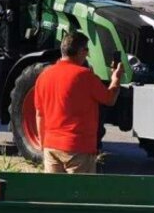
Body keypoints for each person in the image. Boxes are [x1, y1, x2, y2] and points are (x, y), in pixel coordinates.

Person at [34, 32, 122, 174]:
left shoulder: (44, 76)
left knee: (53, 194)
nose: (87, 54)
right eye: (86, 50)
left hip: (51, 147)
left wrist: (44, 145)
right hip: (78, 147)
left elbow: (39, 114)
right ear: (80, 51)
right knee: (81, 194)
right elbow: (110, 99)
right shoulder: (85, 76)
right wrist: (116, 79)